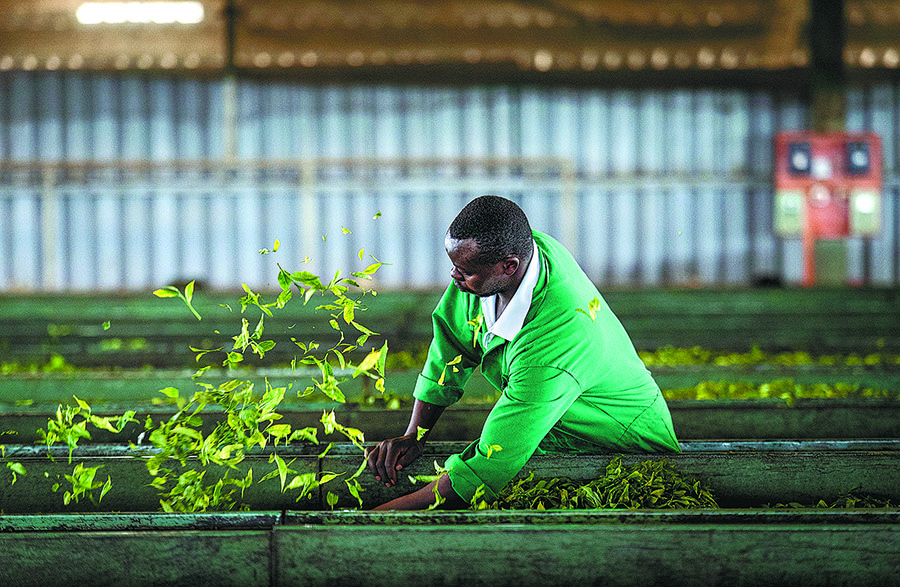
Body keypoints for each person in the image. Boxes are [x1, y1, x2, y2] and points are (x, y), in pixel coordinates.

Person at [365, 195, 680, 510]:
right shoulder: (502, 263)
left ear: (509, 266)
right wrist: (415, 435)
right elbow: (452, 344)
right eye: (454, 265)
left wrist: (382, 513)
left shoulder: (554, 341)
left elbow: (493, 458)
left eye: (465, 270)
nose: (454, 276)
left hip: (625, 450)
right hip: (557, 430)